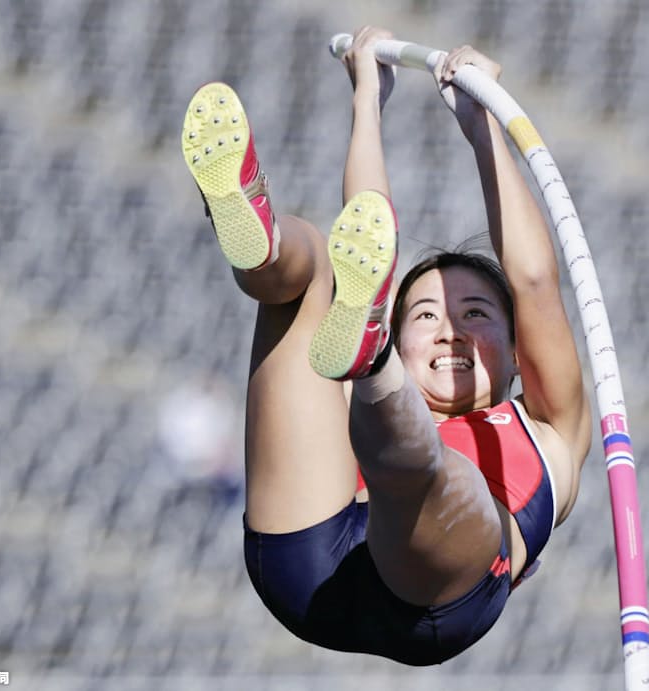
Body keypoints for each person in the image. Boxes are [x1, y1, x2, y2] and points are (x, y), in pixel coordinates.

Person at [180, 26, 592, 666]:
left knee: (428, 470)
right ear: (397, 332)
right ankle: (258, 240)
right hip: (314, 544)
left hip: (423, 588)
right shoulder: (354, 345)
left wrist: (484, 127)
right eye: (425, 313)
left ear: (517, 352)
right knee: (319, 260)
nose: (450, 328)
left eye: (475, 312)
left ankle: (376, 374)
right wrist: (366, 99)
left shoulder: (551, 426)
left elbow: (534, 280)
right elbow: (365, 227)